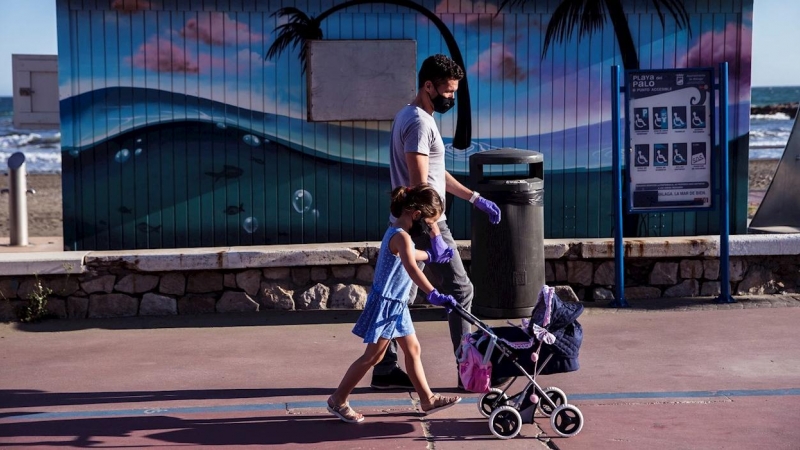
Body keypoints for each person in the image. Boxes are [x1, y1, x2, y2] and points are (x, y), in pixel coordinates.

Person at [371, 54, 502, 390]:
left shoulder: (413, 116)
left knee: (396, 295)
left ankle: (384, 368)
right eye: (446, 91)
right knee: (461, 290)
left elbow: (435, 173)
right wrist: (434, 231)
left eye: (454, 92)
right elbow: (419, 185)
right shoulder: (417, 122)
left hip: (413, 221)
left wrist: (474, 198)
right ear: (427, 86)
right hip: (425, 223)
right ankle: (467, 369)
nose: (450, 98)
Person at [327, 184, 462, 423]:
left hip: (396, 305)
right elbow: (410, 266)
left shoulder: (400, 233)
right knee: (373, 357)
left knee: (413, 350)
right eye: (431, 223)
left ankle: (427, 399)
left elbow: (410, 254)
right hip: (387, 305)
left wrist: (431, 255)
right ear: (416, 214)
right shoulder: (400, 236)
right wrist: (433, 293)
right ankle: (338, 399)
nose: (431, 229)